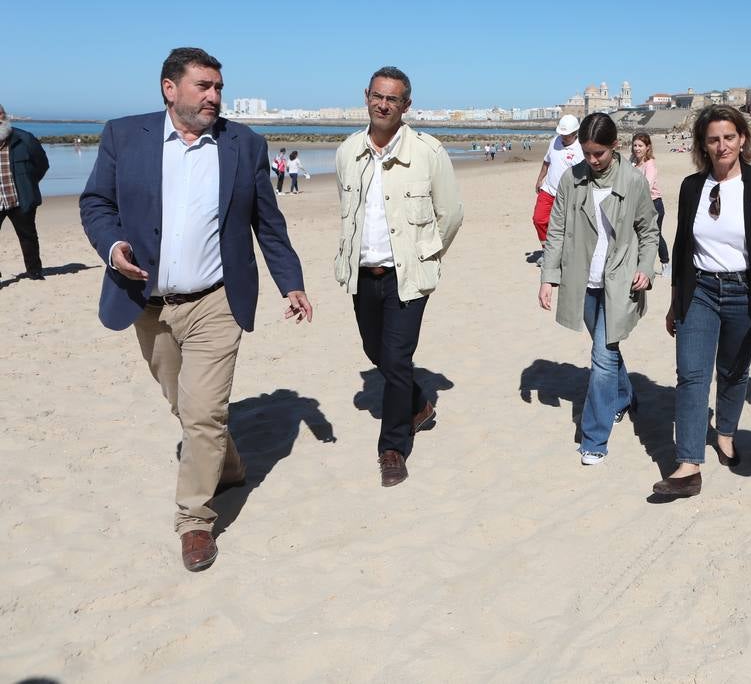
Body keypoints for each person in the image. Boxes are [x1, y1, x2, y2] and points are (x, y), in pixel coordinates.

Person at [79, 47, 313, 572]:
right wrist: (113, 246)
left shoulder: (242, 144)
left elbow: (267, 224)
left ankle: (195, 521)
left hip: (216, 300)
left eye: (218, 87)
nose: (214, 96)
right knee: (186, 408)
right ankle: (227, 466)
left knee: (203, 410)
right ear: (170, 88)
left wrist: (290, 283)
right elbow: (96, 203)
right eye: (203, 86)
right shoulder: (123, 135)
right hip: (147, 303)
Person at [334, 66, 463, 487]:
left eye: (393, 99)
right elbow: (346, 211)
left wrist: (426, 254)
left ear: (406, 106)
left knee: (396, 358)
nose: (383, 104)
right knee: (378, 353)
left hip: (407, 277)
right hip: (361, 274)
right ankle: (419, 405)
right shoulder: (347, 151)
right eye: (377, 96)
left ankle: (392, 448)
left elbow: (451, 214)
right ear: (366, 96)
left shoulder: (429, 152)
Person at [653, 105, 751, 498]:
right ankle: (688, 465)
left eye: (729, 137)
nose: (722, 145)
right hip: (701, 292)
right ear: (703, 145)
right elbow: (682, 246)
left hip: (746, 292)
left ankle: (725, 432)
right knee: (692, 376)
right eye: (713, 139)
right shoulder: (692, 187)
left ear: (742, 139)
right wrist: (676, 300)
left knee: (733, 372)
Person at [538, 113, 658, 465]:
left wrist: (645, 268)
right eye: (587, 153)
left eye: (599, 154)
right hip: (583, 282)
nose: (591, 161)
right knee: (604, 348)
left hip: (619, 282)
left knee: (601, 358)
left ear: (614, 147)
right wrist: (548, 277)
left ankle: (594, 438)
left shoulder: (633, 180)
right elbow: (556, 230)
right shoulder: (571, 179)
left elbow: (649, 231)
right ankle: (624, 394)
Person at [0, 104, 50, 280]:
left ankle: (34, 272)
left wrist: (28, 183)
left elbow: (42, 164)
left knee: (28, 237)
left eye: (0, 116)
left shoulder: (24, 139)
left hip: (20, 198)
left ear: (3, 117)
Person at [532, 115, 584, 249]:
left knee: (565, 227)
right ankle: (547, 250)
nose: (563, 137)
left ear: (575, 133)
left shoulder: (581, 149)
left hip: (568, 195)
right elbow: (546, 161)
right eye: (561, 133)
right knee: (539, 219)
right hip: (548, 189)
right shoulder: (555, 141)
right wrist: (539, 179)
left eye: (566, 135)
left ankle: (558, 252)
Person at [630, 131, 671, 275]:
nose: (637, 148)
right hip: (638, 204)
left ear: (647, 147)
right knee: (639, 235)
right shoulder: (633, 162)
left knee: (655, 235)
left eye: (640, 145)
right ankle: (641, 265)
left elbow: (646, 186)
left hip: (654, 204)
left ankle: (665, 264)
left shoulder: (650, 165)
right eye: (634, 145)